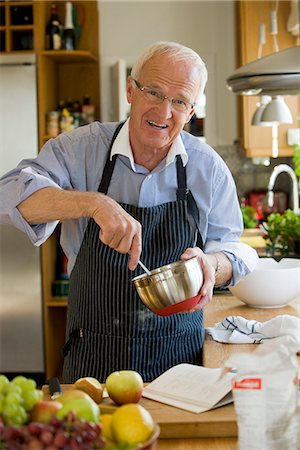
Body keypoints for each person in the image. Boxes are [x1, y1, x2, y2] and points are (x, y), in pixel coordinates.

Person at [0, 41, 258, 383]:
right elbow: (8, 195)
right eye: (153, 92)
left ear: (191, 110)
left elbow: (235, 248)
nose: (164, 112)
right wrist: (92, 203)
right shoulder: (81, 149)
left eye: (179, 101)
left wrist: (212, 265)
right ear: (130, 91)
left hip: (180, 364)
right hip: (93, 363)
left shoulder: (207, 167)